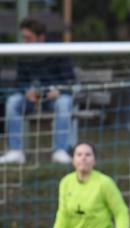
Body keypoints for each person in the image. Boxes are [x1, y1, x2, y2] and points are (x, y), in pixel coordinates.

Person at [1, 17, 76, 165]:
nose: (25, 41)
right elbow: (20, 82)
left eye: (29, 38)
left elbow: (70, 81)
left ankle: (60, 151)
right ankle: (15, 151)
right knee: (13, 101)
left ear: (41, 37)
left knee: (64, 102)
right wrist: (26, 91)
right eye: (24, 38)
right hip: (31, 99)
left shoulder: (58, 50)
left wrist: (58, 90)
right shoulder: (23, 53)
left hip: (54, 99)